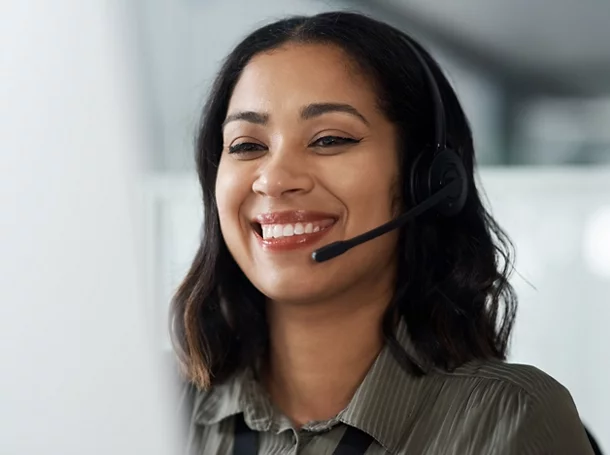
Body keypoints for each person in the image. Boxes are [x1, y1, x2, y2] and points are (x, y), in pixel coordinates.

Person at [171, 11, 595, 454]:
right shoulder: (154, 404)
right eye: (247, 146)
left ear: (426, 180)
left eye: (330, 139)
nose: (274, 179)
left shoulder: (509, 420)